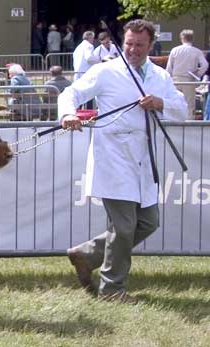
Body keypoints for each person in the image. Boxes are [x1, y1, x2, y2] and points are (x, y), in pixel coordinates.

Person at [60, 19, 188, 302]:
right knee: (124, 226)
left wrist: (160, 103)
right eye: (129, 43)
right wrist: (68, 114)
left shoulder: (159, 76)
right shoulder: (106, 71)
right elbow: (72, 93)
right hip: (113, 157)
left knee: (149, 222)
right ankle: (112, 289)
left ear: (150, 45)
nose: (132, 49)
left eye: (139, 45)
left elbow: (182, 109)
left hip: (144, 159)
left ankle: (87, 254)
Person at [166, 29, 208, 118]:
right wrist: (197, 74)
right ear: (192, 39)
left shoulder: (175, 50)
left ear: (182, 38)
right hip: (189, 80)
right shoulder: (196, 51)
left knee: (175, 102)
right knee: (190, 104)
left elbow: (169, 68)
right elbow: (205, 65)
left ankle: (175, 120)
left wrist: (168, 79)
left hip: (176, 80)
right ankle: (189, 124)